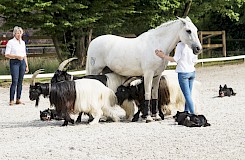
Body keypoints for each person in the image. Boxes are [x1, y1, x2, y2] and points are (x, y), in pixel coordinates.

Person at [155, 42, 198, 114]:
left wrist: (163, 56)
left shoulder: (180, 45)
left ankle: (193, 114)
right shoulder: (193, 44)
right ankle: (186, 111)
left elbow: (175, 59)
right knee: (188, 95)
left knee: (187, 96)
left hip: (183, 73)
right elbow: (195, 60)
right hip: (192, 72)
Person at [5, 26, 29, 106]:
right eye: (17, 33)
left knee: (20, 81)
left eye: (20, 33)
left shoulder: (22, 42)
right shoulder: (11, 42)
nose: (19, 35)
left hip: (22, 62)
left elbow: (25, 55)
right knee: (14, 81)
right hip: (14, 62)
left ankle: (18, 99)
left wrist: (26, 65)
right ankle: (11, 99)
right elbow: (7, 54)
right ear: (14, 34)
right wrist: (16, 56)